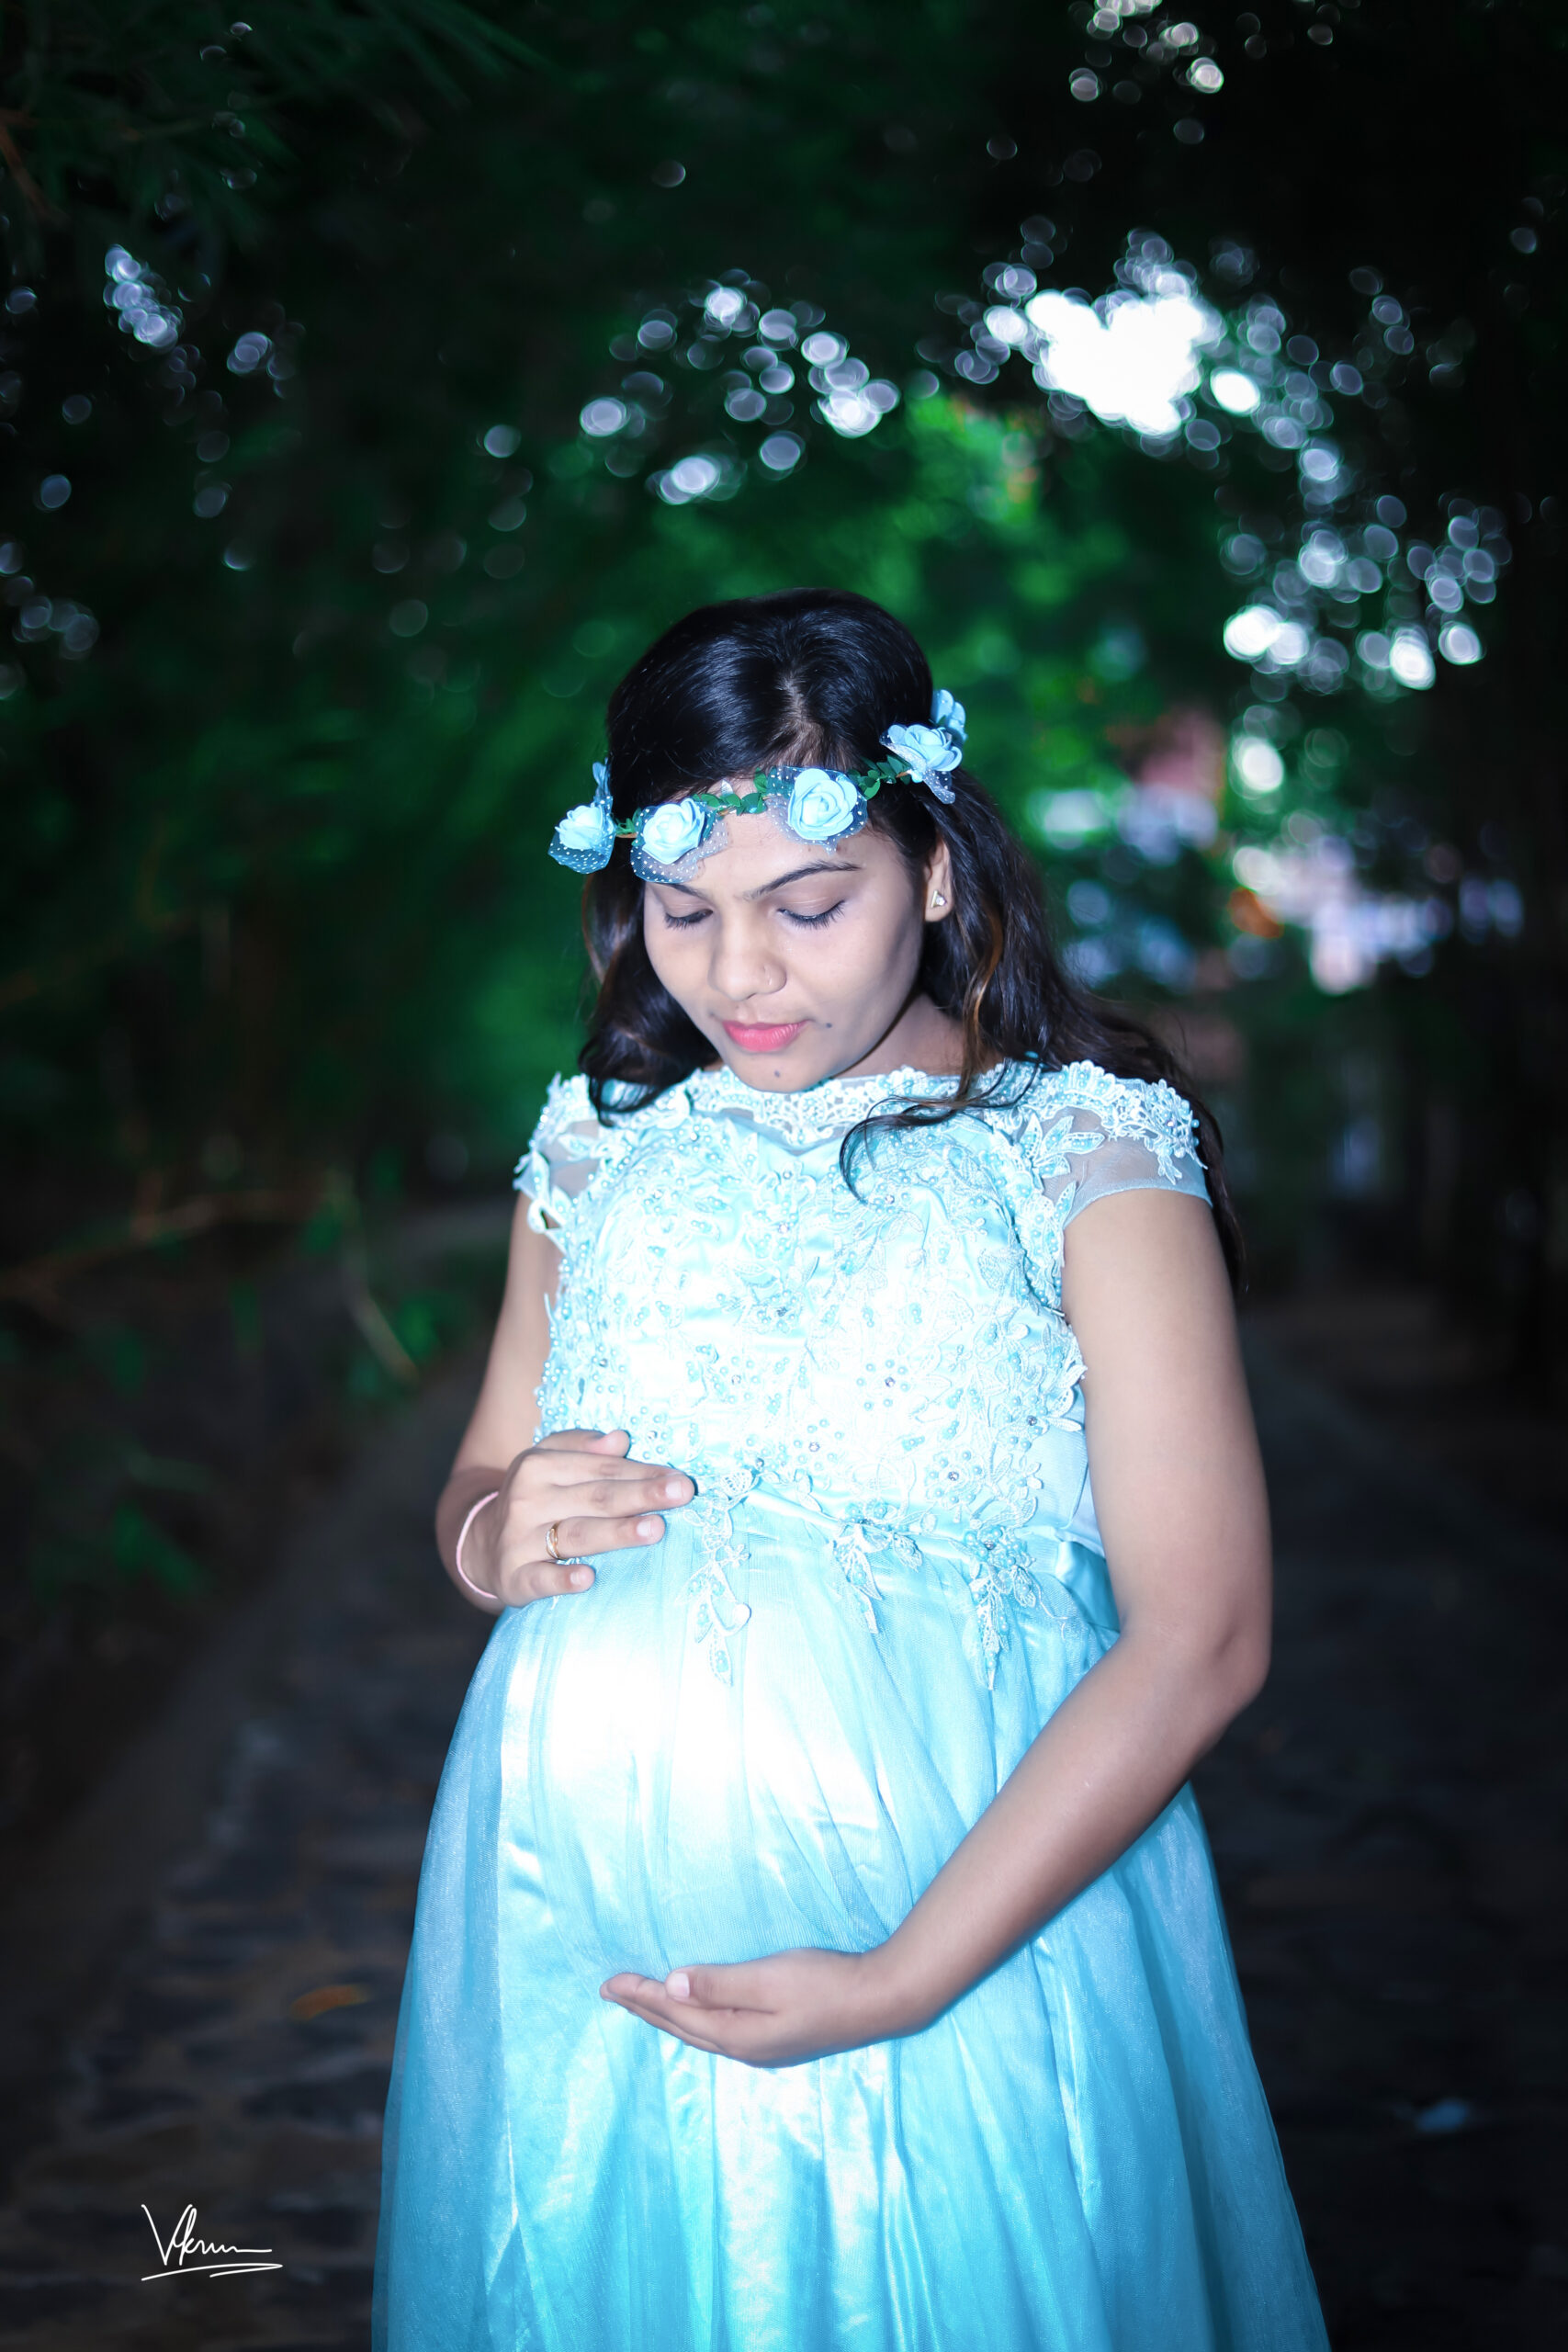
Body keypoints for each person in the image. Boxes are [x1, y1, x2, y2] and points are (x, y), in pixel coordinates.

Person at [371, 588, 1331, 2351]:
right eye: (685, 911)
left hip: (958, 1935)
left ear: (936, 871)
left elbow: (1206, 1635)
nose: (742, 973)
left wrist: (903, 1977)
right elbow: (483, 1475)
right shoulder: (596, 1147)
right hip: (577, 1942)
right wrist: (490, 1534)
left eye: (811, 906)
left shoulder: (1083, 1151)